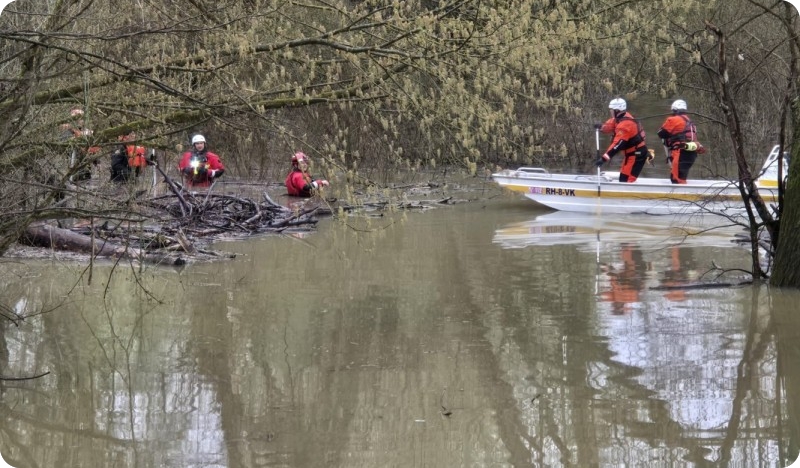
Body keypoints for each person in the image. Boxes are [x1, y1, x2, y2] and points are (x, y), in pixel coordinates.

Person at [596, 98, 651, 183]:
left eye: (611, 109)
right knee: (623, 179)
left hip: (637, 155)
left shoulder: (625, 125)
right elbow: (610, 125)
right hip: (630, 154)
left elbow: (617, 145)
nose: (610, 111)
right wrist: (601, 127)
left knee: (627, 180)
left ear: (617, 110)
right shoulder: (620, 118)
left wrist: (603, 159)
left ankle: (628, 194)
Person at [657, 99, 705, 184]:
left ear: (674, 109)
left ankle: (679, 194)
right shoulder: (690, 121)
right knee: (681, 178)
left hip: (681, 153)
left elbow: (661, 134)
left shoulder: (673, 119)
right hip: (692, 154)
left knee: (676, 179)